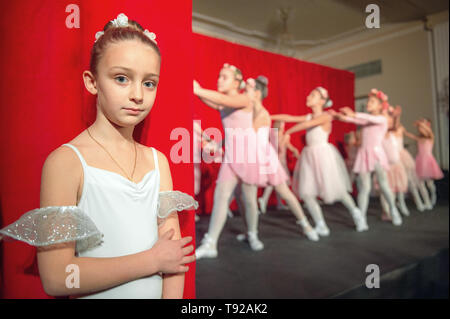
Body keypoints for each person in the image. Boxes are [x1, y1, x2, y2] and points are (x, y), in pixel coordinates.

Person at [0, 13, 197, 299]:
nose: (138, 95)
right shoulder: (66, 162)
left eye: (149, 83)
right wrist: (152, 260)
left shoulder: (158, 162)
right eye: (121, 78)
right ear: (92, 82)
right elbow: (57, 278)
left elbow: (174, 258)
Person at [193, 63, 266, 259]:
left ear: (237, 82)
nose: (218, 80)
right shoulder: (223, 102)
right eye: (219, 76)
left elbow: (221, 99)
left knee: (249, 199)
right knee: (221, 195)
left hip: (248, 154)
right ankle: (211, 243)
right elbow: (212, 100)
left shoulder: (244, 97)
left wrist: (198, 89)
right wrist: (195, 87)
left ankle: (252, 234)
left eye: (224, 77)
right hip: (232, 154)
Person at [272, 87, 367, 235]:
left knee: (339, 191)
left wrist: (289, 132)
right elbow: (289, 117)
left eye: (313, 95)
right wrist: (269, 116)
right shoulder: (309, 116)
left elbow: (307, 125)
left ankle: (358, 215)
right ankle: (321, 224)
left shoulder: (325, 116)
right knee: (306, 193)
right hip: (309, 157)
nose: (309, 96)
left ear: (322, 101)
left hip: (323, 156)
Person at [329, 88, 403, 226]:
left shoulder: (381, 119)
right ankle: (361, 218)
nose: (369, 103)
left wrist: (353, 113)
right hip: (364, 154)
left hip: (376, 153)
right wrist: (338, 116)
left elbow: (367, 118)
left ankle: (393, 210)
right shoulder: (366, 120)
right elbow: (353, 119)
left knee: (384, 185)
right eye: (368, 101)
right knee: (365, 188)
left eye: (372, 101)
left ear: (381, 106)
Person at [404, 118, 444, 207]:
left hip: (428, 161)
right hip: (420, 161)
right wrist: (404, 131)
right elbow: (410, 135)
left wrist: (421, 123)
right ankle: (426, 201)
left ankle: (433, 196)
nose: (420, 129)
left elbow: (428, 131)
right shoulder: (419, 138)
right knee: (421, 183)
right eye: (420, 128)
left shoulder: (430, 136)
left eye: (422, 128)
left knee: (429, 183)